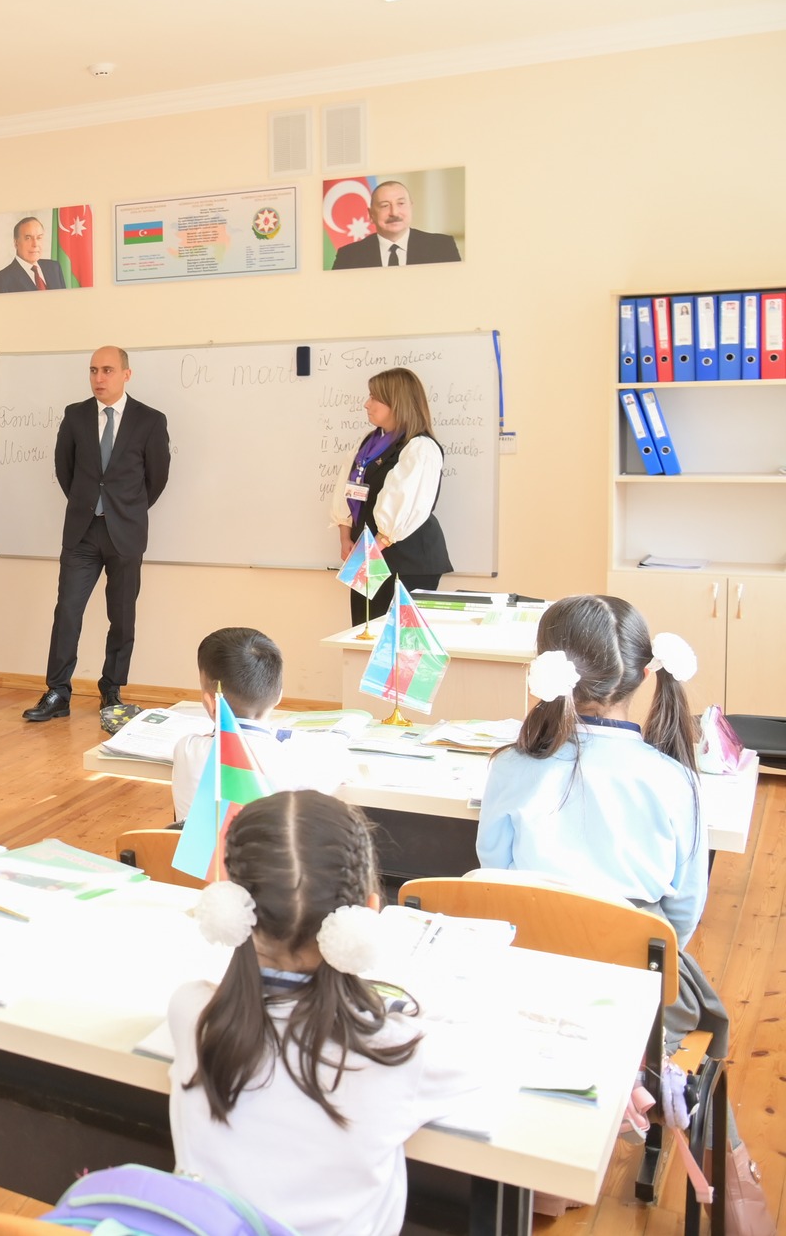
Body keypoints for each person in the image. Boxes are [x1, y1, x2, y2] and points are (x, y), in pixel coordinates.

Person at [169, 791, 485, 1236]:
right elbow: (488, 1054)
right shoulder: (401, 1050)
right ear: (370, 911)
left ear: (228, 909)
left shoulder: (190, 1012)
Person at [478, 595, 716, 1033]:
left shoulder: (510, 765)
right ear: (646, 673)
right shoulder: (675, 780)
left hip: (524, 978)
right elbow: (684, 908)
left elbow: (494, 871)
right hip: (632, 994)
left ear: (543, 669)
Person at [24, 347, 170, 724]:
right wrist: (88, 504)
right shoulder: (75, 415)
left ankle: (111, 687)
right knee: (67, 612)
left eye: (107, 370)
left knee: (121, 617)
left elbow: (157, 478)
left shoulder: (150, 420)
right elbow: (65, 469)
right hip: (83, 532)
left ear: (126, 374)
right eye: (93, 370)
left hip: (125, 533)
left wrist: (126, 509)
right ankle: (58, 692)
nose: (98, 378)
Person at [169, 628, 357, 821]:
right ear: (279, 695)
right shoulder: (298, 757)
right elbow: (344, 762)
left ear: (211, 703)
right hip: (270, 842)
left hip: (196, 842)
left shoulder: (187, 748)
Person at [332, 367, 451, 625]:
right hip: (369, 554)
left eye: (374, 397)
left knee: (398, 639)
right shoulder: (368, 443)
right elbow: (346, 487)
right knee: (364, 632)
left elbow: (405, 503)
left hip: (406, 561)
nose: (367, 404)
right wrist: (345, 536)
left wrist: (373, 549)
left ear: (396, 402)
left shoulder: (419, 447)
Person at [330, 181, 461, 269]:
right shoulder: (348, 256)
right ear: (371, 214)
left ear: (411, 207)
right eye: (385, 205)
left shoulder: (442, 246)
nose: (394, 212)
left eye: (401, 203)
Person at [0, 215, 67, 293]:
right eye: (28, 238)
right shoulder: (0, 280)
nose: (35, 244)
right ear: (16, 243)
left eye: (39, 237)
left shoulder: (54, 268)